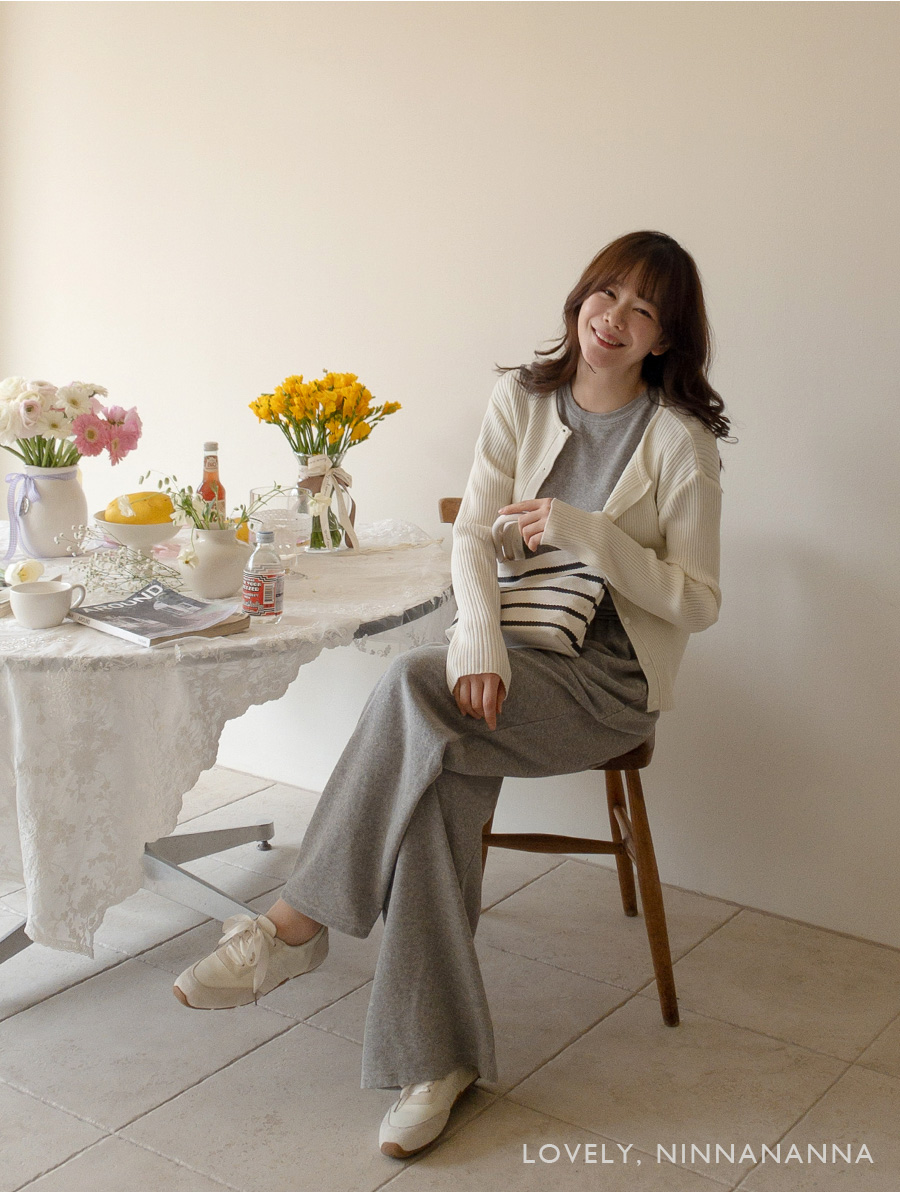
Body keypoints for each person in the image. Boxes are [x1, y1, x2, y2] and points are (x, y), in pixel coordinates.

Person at [172, 230, 730, 1159]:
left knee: (408, 683)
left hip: (605, 684)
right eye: (608, 294)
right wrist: (478, 639)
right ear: (581, 297)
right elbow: (472, 532)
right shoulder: (523, 399)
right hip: (509, 656)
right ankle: (436, 1060)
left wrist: (590, 534)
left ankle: (296, 923)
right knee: (438, 778)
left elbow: (700, 602)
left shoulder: (680, 443)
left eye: (644, 310)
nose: (616, 320)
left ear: (665, 338)